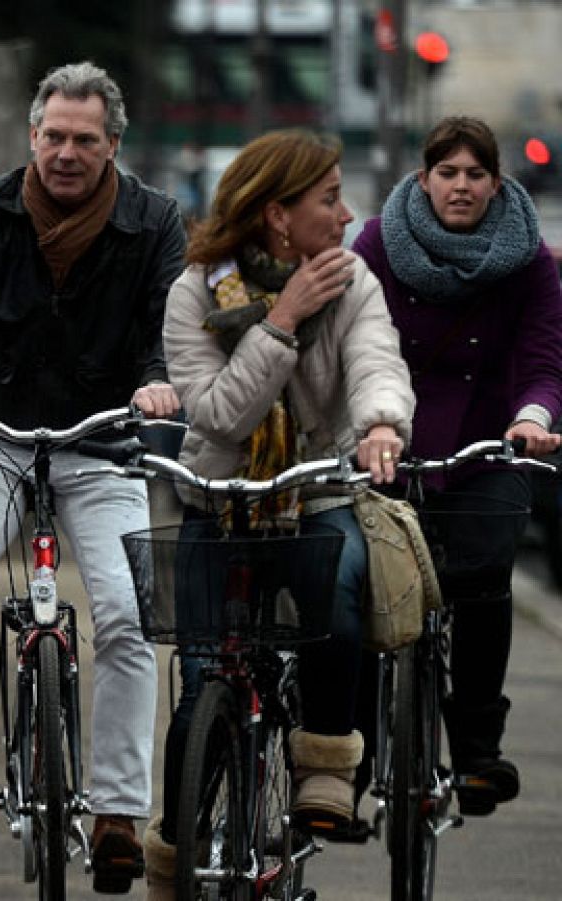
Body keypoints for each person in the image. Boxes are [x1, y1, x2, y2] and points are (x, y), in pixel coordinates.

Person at [0, 61, 185, 893]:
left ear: (112, 145)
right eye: (53, 136)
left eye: (84, 140)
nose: (65, 152)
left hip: (104, 438)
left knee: (128, 616)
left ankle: (120, 811)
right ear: (32, 136)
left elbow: (172, 314)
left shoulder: (155, 220)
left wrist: (157, 380)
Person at [146, 130, 414, 899]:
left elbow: (374, 359)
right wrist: (283, 319)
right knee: (200, 685)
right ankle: (180, 855)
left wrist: (383, 423)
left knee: (340, 580)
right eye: (329, 198)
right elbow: (223, 416)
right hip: (218, 497)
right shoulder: (195, 291)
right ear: (276, 215)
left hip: (315, 488)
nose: (347, 213)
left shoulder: (353, 277)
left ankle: (325, 758)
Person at [351, 115, 562, 817]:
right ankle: (347, 747)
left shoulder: (529, 259)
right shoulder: (381, 241)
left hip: (487, 442)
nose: (462, 187)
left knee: (482, 574)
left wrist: (533, 416)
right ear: (424, 178)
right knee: (357, 578)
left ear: (497, 183)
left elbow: (543, 358)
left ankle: (476, 748)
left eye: (476, 175)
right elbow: (353, 336)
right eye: (448, 173)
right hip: (388, 436)